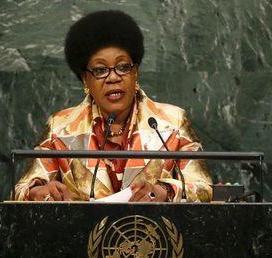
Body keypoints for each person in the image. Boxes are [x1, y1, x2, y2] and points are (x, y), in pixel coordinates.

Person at [15, 10, 212, 202]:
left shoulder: (172, 121)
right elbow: (24, 188)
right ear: (85, 79)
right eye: (100, 70)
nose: (113, 77)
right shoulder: (60, 127)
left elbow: (203, 186)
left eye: (123, 67)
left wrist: (165, 191)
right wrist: (38, 192)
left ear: (136, 73)